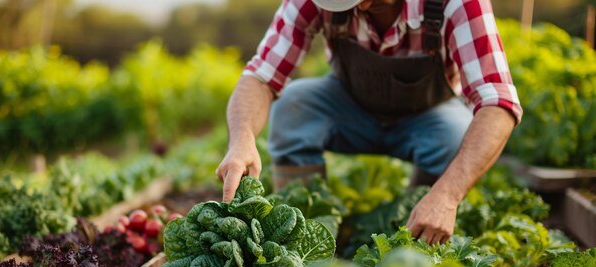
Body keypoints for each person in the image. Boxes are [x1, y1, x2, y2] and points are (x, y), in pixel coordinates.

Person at [216, 0, 522, 245]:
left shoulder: (456, 3)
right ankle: (303, 234)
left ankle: (420, 230)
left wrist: (448, 196)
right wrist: (242, 139)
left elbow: (499, 102)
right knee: (294, 106)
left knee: (456, 136)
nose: (354, 7)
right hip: (349, 108)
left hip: (427, 118)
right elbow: (261, 75)